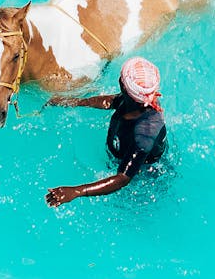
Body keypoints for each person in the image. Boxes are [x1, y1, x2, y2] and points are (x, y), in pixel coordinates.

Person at [45, 57, 168, 207]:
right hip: (122, 149)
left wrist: (77, 191)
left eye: (122, 78)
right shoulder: (137, 100)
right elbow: (110, 101)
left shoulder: (145, 135)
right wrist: (74, 102)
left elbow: (123, 178)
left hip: (145, 173)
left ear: (123, 86)